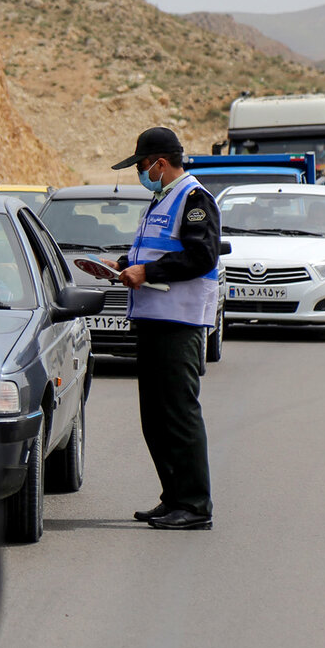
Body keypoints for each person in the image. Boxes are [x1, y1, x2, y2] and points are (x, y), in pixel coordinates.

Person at [108, 127, 219, 531]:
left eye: (141, 165)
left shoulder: (193, 199)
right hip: (155, 319)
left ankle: (194, 506)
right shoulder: (162, 199)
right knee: (155, 418)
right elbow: (156, 250)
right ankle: (173, 497)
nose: (140, 171)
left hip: (180, 322)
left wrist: (149, 271)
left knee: (178, 415)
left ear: (159, 162)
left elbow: (201, 256)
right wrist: (125, 264)